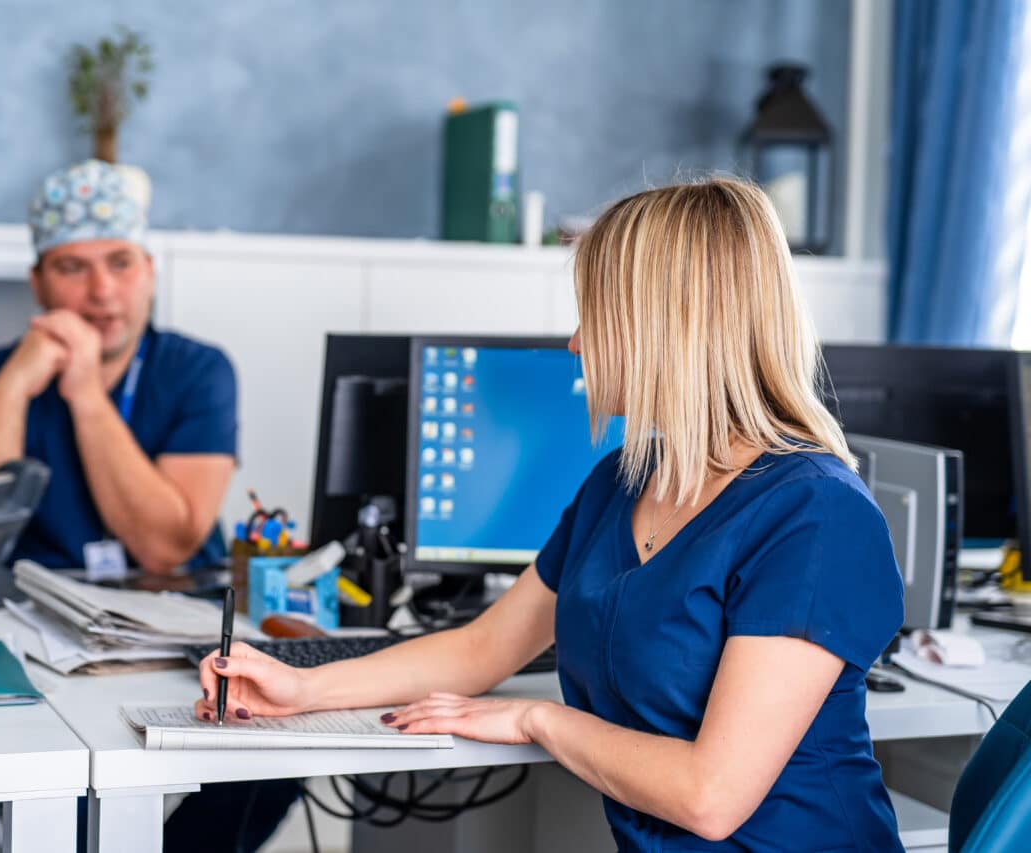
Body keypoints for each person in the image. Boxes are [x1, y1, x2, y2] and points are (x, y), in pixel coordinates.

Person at [195, 178, 907, 851]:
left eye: (594, 316)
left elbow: (710, 795)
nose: (574, 343)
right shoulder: (623, 481)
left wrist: (538, 716)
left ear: (670, 326)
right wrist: (303, 688)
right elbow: (482, 649)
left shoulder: (816, 514)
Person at [0, 158, 297, 852]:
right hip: (43, 651)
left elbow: (168, 543)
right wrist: (16, 383)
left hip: (176, 641)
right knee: (52, 797)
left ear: (150, 272)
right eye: (73, 267)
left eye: (121, 262)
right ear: (39, 282)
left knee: (273, 766)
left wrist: (84, 393)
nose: (102, 290)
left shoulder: (198, 370)